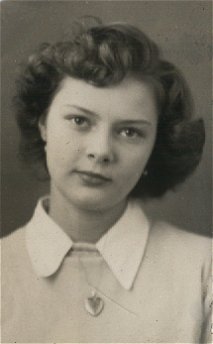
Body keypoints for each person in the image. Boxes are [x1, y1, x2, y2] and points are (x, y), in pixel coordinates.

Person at [2, 20, 211, 343]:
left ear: (155, 144)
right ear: (44, 123)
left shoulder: (204, 270)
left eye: (130, 132)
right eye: (79, 121)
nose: (100, 151)